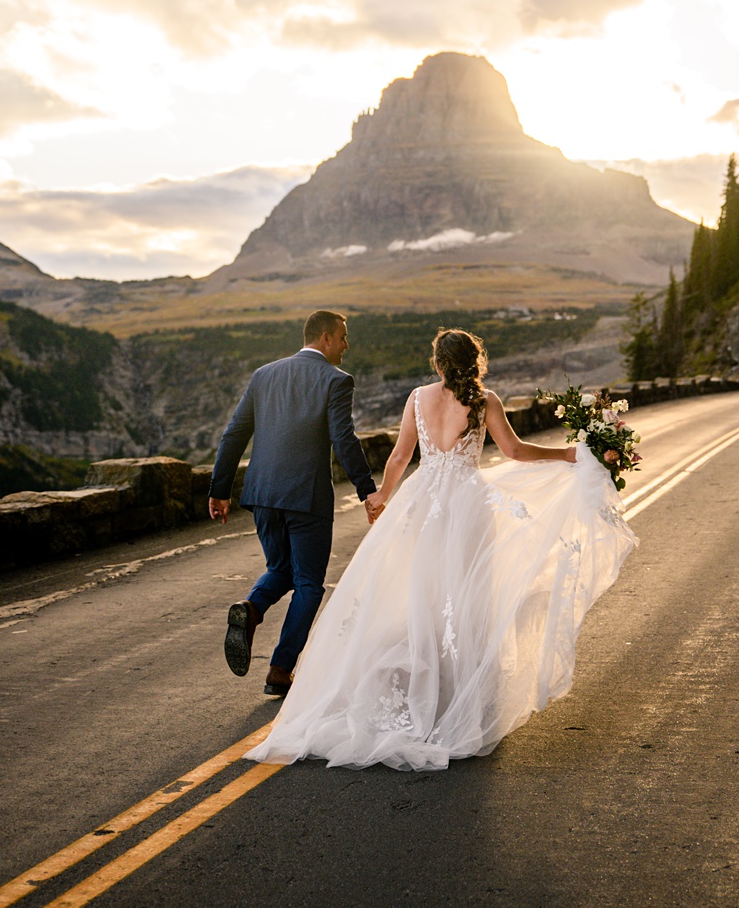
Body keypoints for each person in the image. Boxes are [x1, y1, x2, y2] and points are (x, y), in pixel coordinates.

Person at [249, 328, 637, 769]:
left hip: (422, 503)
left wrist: (381, 497)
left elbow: (399, 457)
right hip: (470, 506)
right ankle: (457, 698)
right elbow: (514, 451)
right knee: (466, 598)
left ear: (437, 363)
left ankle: (421, 693)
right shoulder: (485, 400)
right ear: (476, 363)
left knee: (420, 595)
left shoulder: (417, 398)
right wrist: (568, 455)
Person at [208, 310, 379, 697]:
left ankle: (251, 610)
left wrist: (218, 490)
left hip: (262, 494)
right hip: (306, 497)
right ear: (324, 337)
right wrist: (367, 490)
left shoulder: (263, 374)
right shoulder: (336, 380)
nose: (347, 345)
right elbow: (344, 439)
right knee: (308, 584)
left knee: (281, 568)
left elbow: (233, 434)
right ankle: (280, 669)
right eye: (343, 337)